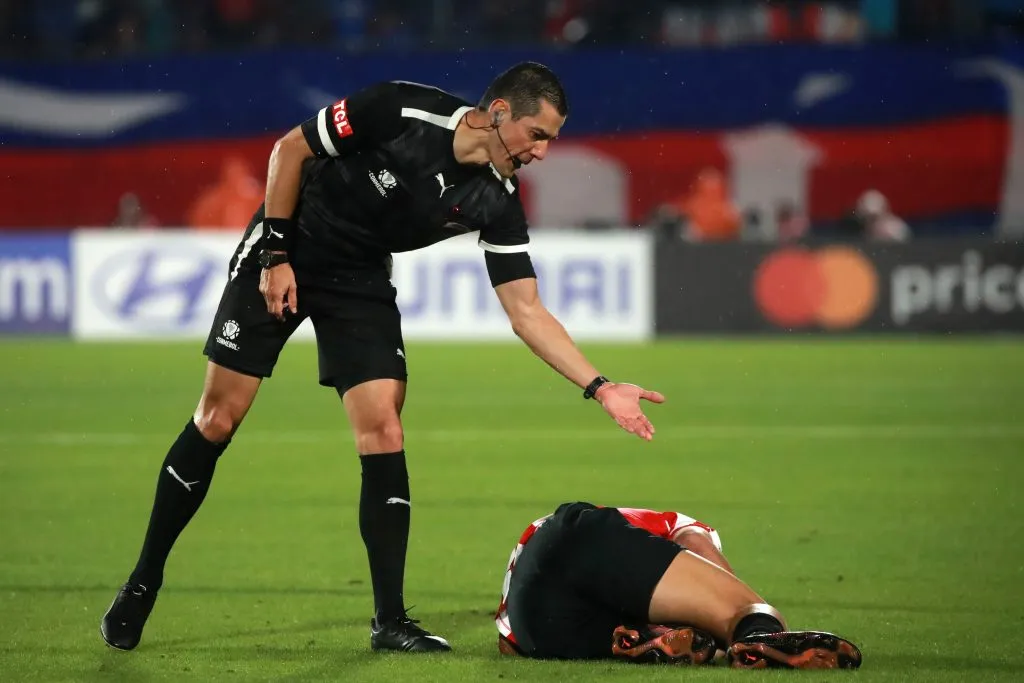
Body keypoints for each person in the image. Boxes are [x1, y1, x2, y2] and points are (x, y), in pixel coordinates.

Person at [100, 62, 665, 654]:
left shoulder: (496, 199)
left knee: (384, 427)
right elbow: (289, 150)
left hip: (358, 278)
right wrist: (275, 256)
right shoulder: (399, 110)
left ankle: (390, 621)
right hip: (290, 242)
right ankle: (143, 581)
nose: (542, 153)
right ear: (499, 113)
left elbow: (526, 311)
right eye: (538, 134)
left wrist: (600, 386)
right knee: (218, 418)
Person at [495, 502, 863, 669]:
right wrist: (741, 614)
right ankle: (760, 636)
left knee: (649, 631)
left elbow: (507, 644)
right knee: (741, 615)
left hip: (532, 629)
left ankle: (645, 637)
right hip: (577, 539)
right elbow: (697, 545)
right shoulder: (675, 524)